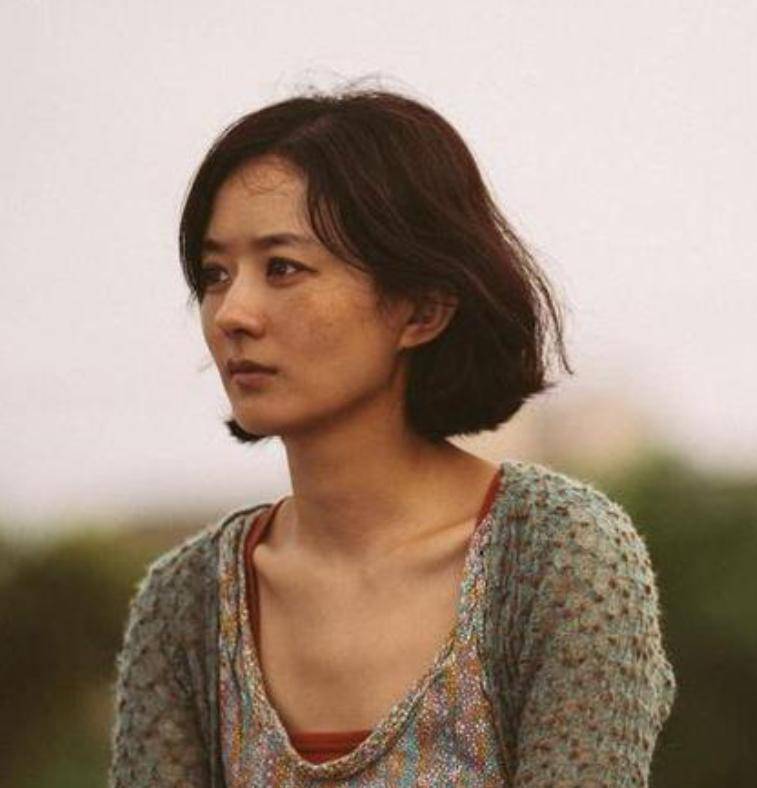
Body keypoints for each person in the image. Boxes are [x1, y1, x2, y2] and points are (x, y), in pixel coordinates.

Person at [107, 86, 677, 787]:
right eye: (215, 274)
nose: (232, 313)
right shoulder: (187, 603)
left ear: (422, 309)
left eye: (282, 268)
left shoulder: (557, 556)